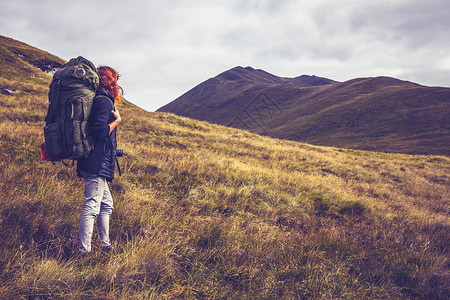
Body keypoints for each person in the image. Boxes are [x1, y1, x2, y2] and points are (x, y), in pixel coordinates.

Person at [77, 66, 123, 253]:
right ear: (109, 81)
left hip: (96, 162)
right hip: (96, 162)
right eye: (115, 80)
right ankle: (84, 251)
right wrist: (116, 122)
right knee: (92, 205)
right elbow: (99, 130)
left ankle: (105, 245)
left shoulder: (97, 99)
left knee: (106, 204)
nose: (117, 84)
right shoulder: (103, 100)